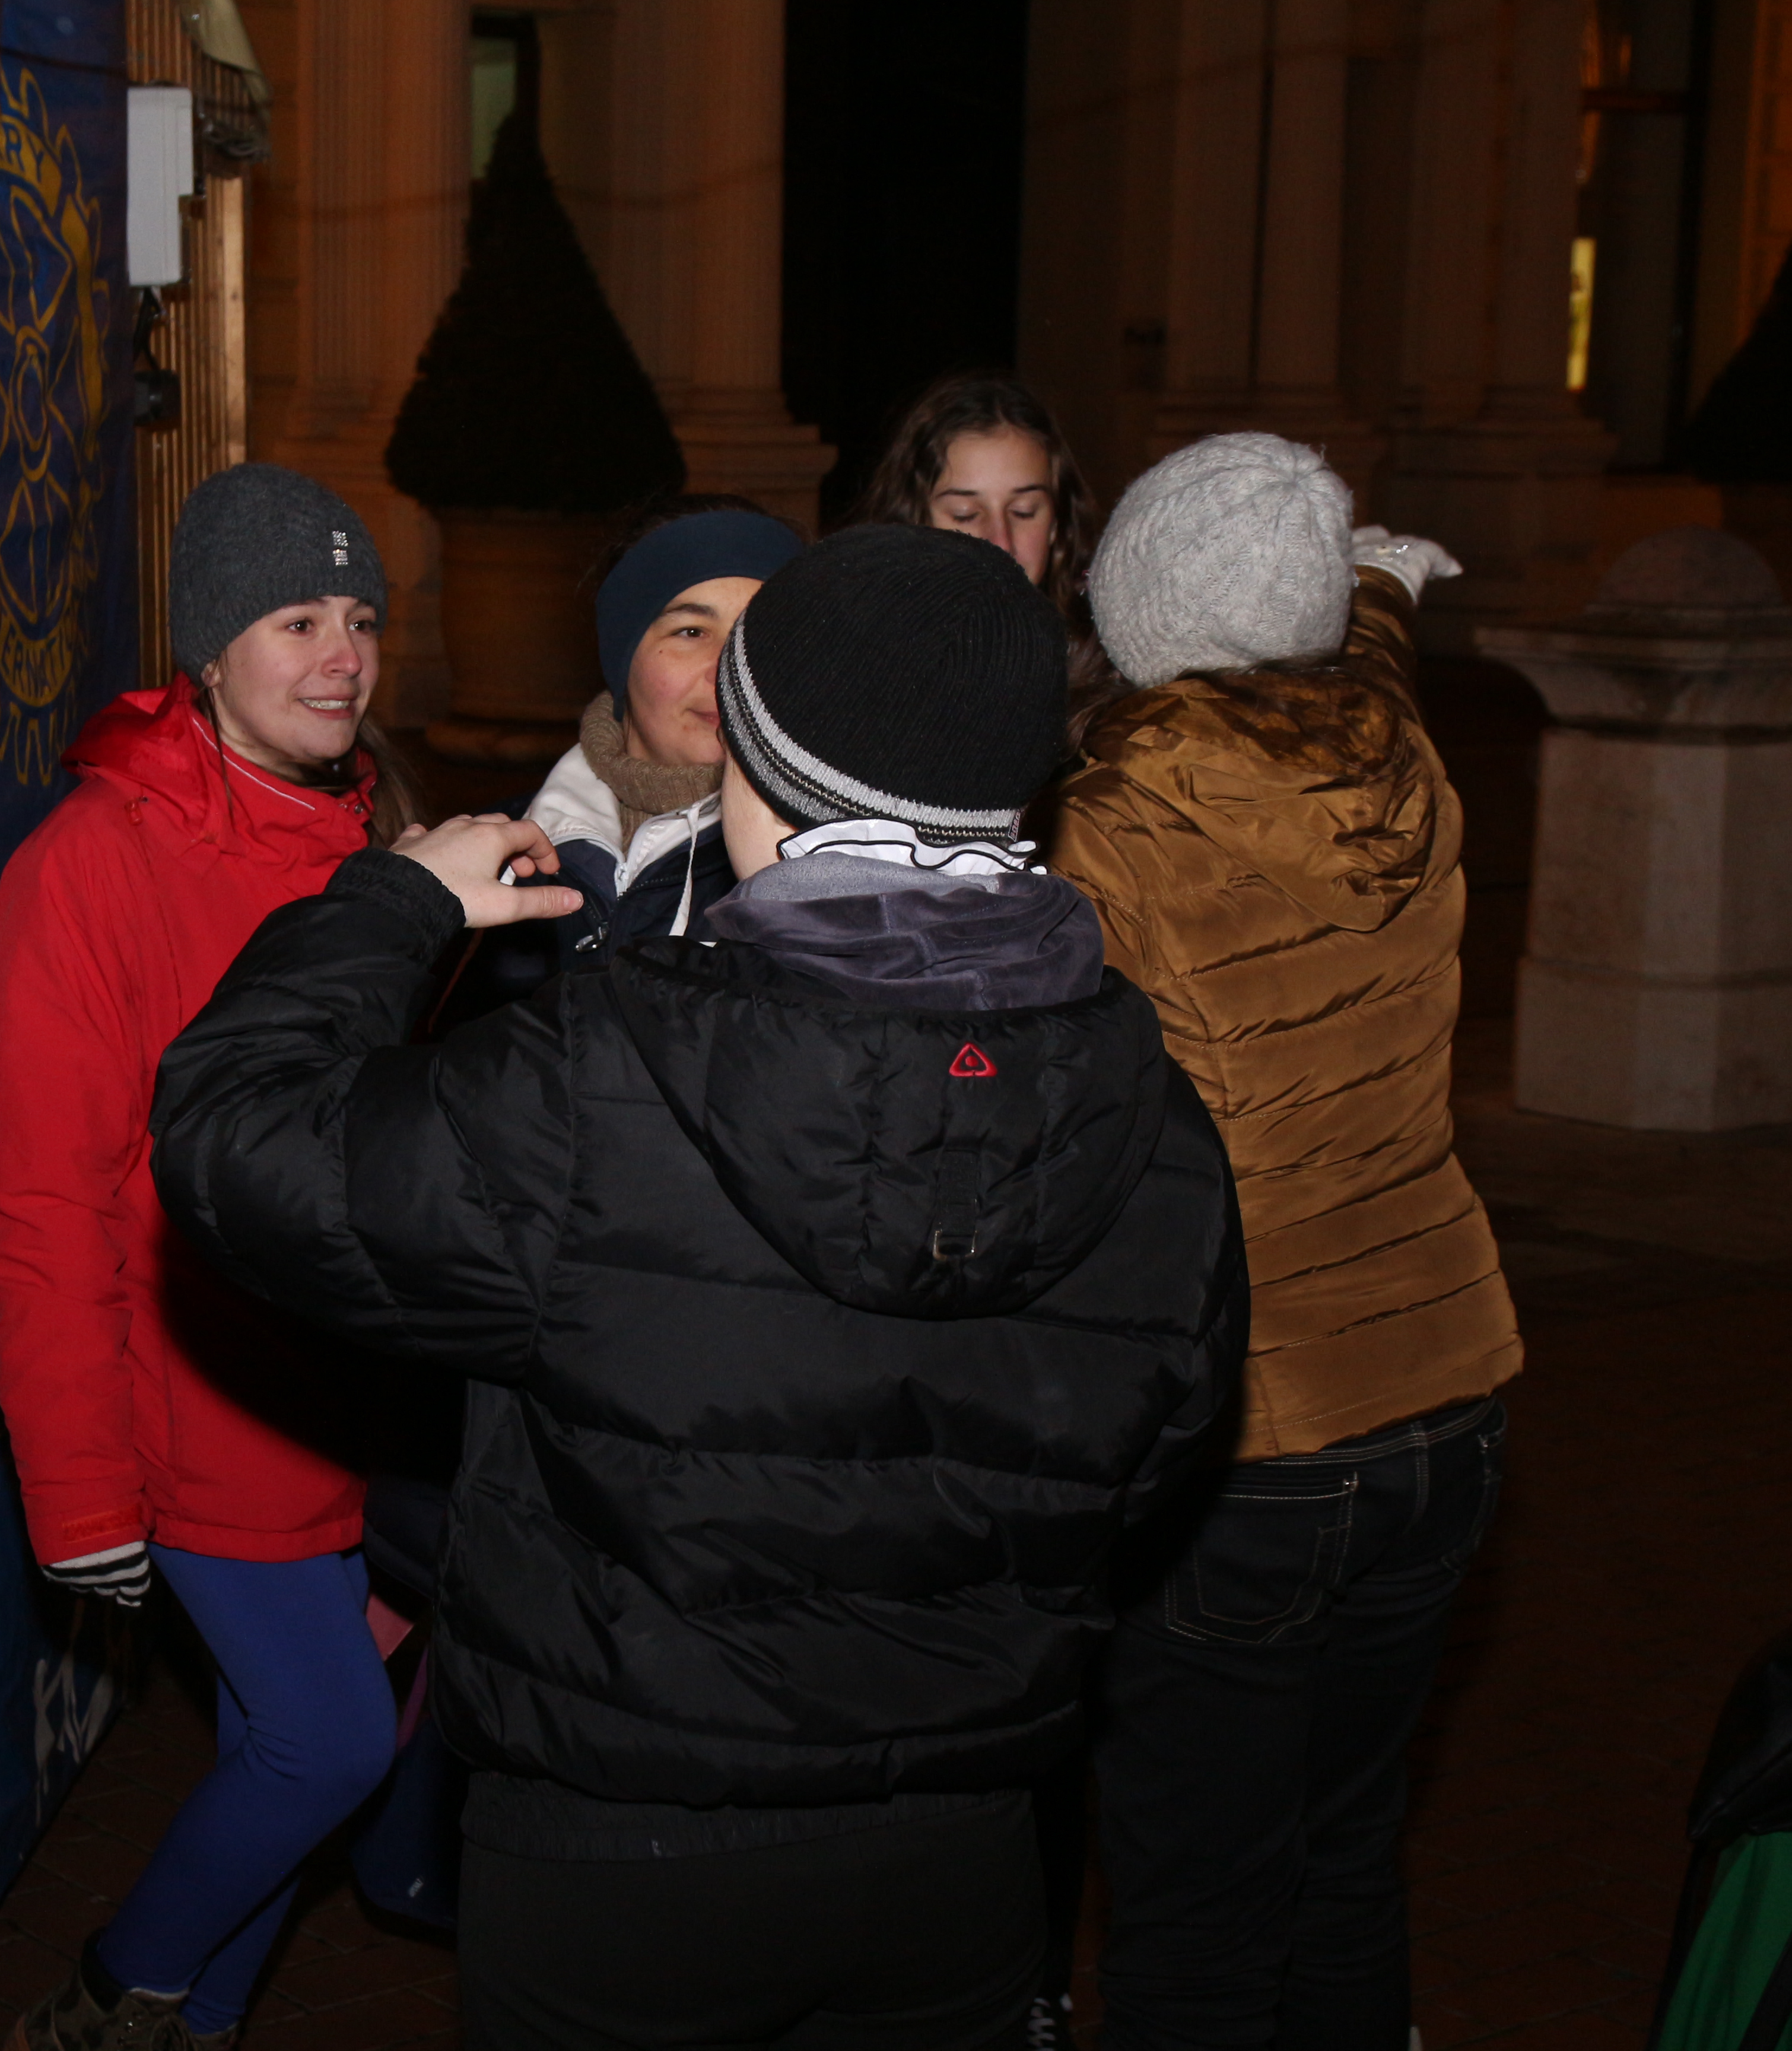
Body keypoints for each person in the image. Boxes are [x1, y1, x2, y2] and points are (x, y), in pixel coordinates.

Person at [151, 525, 1247, 2050]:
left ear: (762, 767)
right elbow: (1167, 1441)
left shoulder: (608, 1068)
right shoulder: (1153, 1104)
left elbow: (233, 1141)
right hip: (963, 1840)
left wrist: (388, 905)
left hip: (626, 1841)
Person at [1046, 433, 1522, 2051]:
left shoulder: (1114, 824)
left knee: (1193, 1916)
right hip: (1446, 1399)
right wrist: (1378, 578)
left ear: (1140, 617)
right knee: (1344, 1858)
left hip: (1250, 1435)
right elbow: (1366, 661)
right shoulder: (1405, 765)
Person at [0, 463, 419, 2047]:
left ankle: (192, 2024)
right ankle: (109, 1992)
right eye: (296, 619)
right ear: (207, 651)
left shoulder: (370, 839)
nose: (341, 656)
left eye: (359, 617)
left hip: (353, 1396)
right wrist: (80, 1485)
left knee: (278, 1754)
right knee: (328, 1747)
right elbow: (43, 1203)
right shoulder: (92, 862)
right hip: (203, 1401)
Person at [440, 498, 802, 1025]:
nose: (728, 667)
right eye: (691, 632)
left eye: (760, 632)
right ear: (622, 655)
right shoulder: (491, 851)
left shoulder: (825, 872)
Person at [853, 370, 1114, 718]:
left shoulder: (1101, 672)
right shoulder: (864, 665)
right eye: (966, 515)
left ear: (1056, 523)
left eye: (1024, 512)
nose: (1001, 542)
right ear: (913, 523)